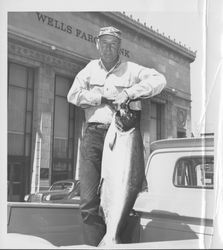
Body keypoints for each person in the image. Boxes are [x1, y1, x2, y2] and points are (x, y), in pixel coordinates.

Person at [67, 26, 166, 246]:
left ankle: (119, 241)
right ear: (97, 44)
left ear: (120, 46)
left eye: (113, 43)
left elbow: (160, 80)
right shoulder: (89, 70)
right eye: (104, 43)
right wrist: (100, 97)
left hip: (124, 140)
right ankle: (99, 244)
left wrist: (130, 92)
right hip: (94, 137)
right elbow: (72, 94)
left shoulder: (132, 69)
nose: (108, 47)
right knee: (88, 202)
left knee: (127, 197)